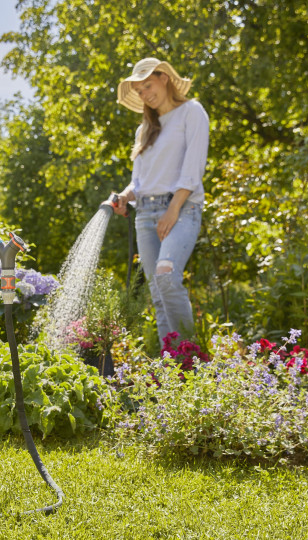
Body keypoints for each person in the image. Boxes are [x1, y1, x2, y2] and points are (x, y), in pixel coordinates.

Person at [106, 57, 209, 345]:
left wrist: (173, 209)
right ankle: (173, 365)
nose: (144, 94)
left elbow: (193, 169)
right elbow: (138, 182)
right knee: (158, 294)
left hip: (182, 208)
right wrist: (124, 196)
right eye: (138, 91)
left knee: (166, 275)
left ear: (164, 78)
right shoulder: (144, 130)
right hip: (145, 214)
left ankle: (191, 357)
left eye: (147, 85)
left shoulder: (191, 112)